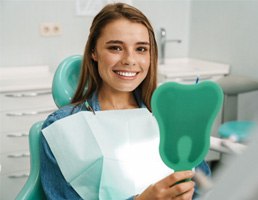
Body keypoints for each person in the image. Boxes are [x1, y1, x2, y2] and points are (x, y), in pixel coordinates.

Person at [40, 2, 210, 200]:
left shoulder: (172, 118)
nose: (130, 60)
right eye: (116, 48)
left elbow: (203, 188)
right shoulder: (62, 128)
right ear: (94, 52)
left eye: (141, 49)